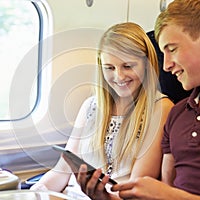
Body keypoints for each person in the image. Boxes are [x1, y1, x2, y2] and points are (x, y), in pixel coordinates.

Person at [78, 0, 200, 199]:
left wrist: (167, 195)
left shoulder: (163, 108)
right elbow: (167, 190)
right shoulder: (179, 114)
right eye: (163, 53)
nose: (166, 66)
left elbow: (166, 194)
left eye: (172, 49)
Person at [30, 22, 173, 199]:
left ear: (146, 64)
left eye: (128, 66)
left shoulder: (160, 108)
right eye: (110, 68)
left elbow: (137, 186)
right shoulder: (91, 106)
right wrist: (34, 191)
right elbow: (62, 170)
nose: (119, 76)